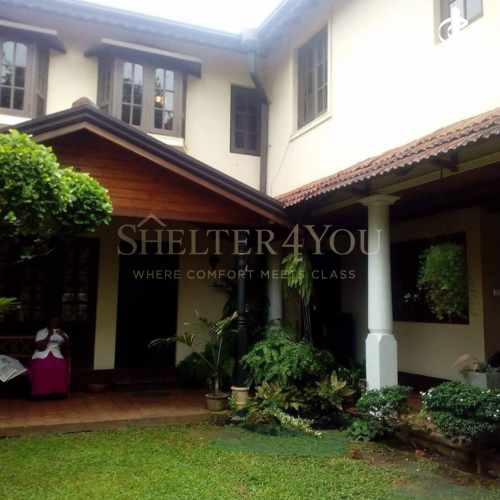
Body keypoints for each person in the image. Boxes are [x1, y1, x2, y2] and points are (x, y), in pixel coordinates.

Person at [28, 316, 70, 398]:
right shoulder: (41, 332)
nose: (55, 323)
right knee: (40, 366)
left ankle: (57, 393)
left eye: (57, 321)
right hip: (42, 353)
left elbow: (69, 345)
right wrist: (49, 335)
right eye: (53, 321)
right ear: (48, 322)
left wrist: (62, 335)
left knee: (60, 366)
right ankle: (40, 394)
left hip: (56, 353)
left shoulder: (61, 332)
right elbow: (41, 348)